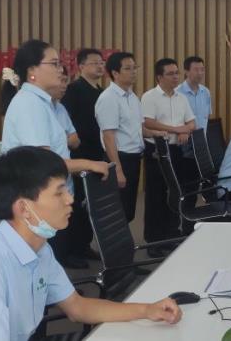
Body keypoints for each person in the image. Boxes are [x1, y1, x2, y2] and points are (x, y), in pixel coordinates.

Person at [0, 146, 181, 340]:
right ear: (24, 209)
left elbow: (77, 307)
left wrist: (147, 310)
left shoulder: (40, 250)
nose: (70, 199)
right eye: (59, 192)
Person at [1, 40, 109, 269]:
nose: (60, 70)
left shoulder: (45, 104)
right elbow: (44, 163)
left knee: (50, 266)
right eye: (54, 63)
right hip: (35, 204)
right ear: (32, 71)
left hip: (47, 201)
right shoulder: (29, 105)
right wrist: (90, 164)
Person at [96, 52, 165, 223]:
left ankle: (124, 240)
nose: (133, 72)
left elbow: (139, 129)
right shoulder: (109, 98)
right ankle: (116, 242)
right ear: (115, 73)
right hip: (119, 159)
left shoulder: (132, 97)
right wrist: (117, 170)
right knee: (117, 212)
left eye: (135, 68)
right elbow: (108, 137)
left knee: (127, 210)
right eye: (128, 68)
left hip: (134, 159)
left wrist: (156, 133)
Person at [140, 58, 196, 242]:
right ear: (159, 77)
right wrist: (177, 129)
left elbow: (192, 123)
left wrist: (184, 131)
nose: (175, 77)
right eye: (170, 74)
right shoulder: (150, 96)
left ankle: (171, 233)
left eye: (177, 73)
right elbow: (148, 122)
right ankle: (154, 239)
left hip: (177, 150)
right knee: (156, 194)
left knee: (175, 193)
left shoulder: (182, 97)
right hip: (157, 149)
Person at [59, 48, 106, 262]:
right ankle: (72, 250)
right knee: (76, 203)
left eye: (101, 62)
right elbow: (67, 124)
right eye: (94, 63)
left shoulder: (101, 92)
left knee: (90, 204)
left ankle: (84, 244)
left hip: (97, 154)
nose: (100, 66)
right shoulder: (74, 90)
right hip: (79, 154)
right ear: (81, 67)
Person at [178, 56, 211, 131]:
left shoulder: (206, 92)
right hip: (184, 136)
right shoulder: (177, 92)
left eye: (202, 70)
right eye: (196, 70)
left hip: (202, 136)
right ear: (186, 72)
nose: (200, 73)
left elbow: (207, 116)